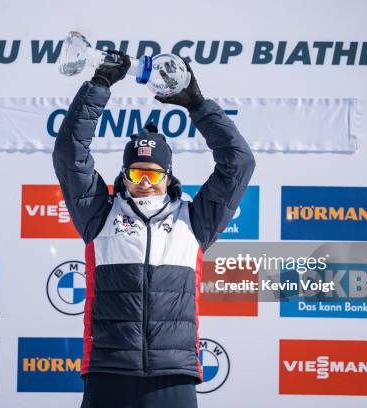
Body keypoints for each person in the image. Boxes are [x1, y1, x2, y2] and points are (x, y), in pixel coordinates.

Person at [52, 50, 256, 408]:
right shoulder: (98, 214)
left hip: (172, 375)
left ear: (168, 175)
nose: (144, 182)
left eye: (153, 174)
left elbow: (238, 162)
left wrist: (197, 104)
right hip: (108, 371)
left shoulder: (195, 220)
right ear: (124, 176)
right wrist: (99, 85)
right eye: (135, 173)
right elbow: (71, 154)